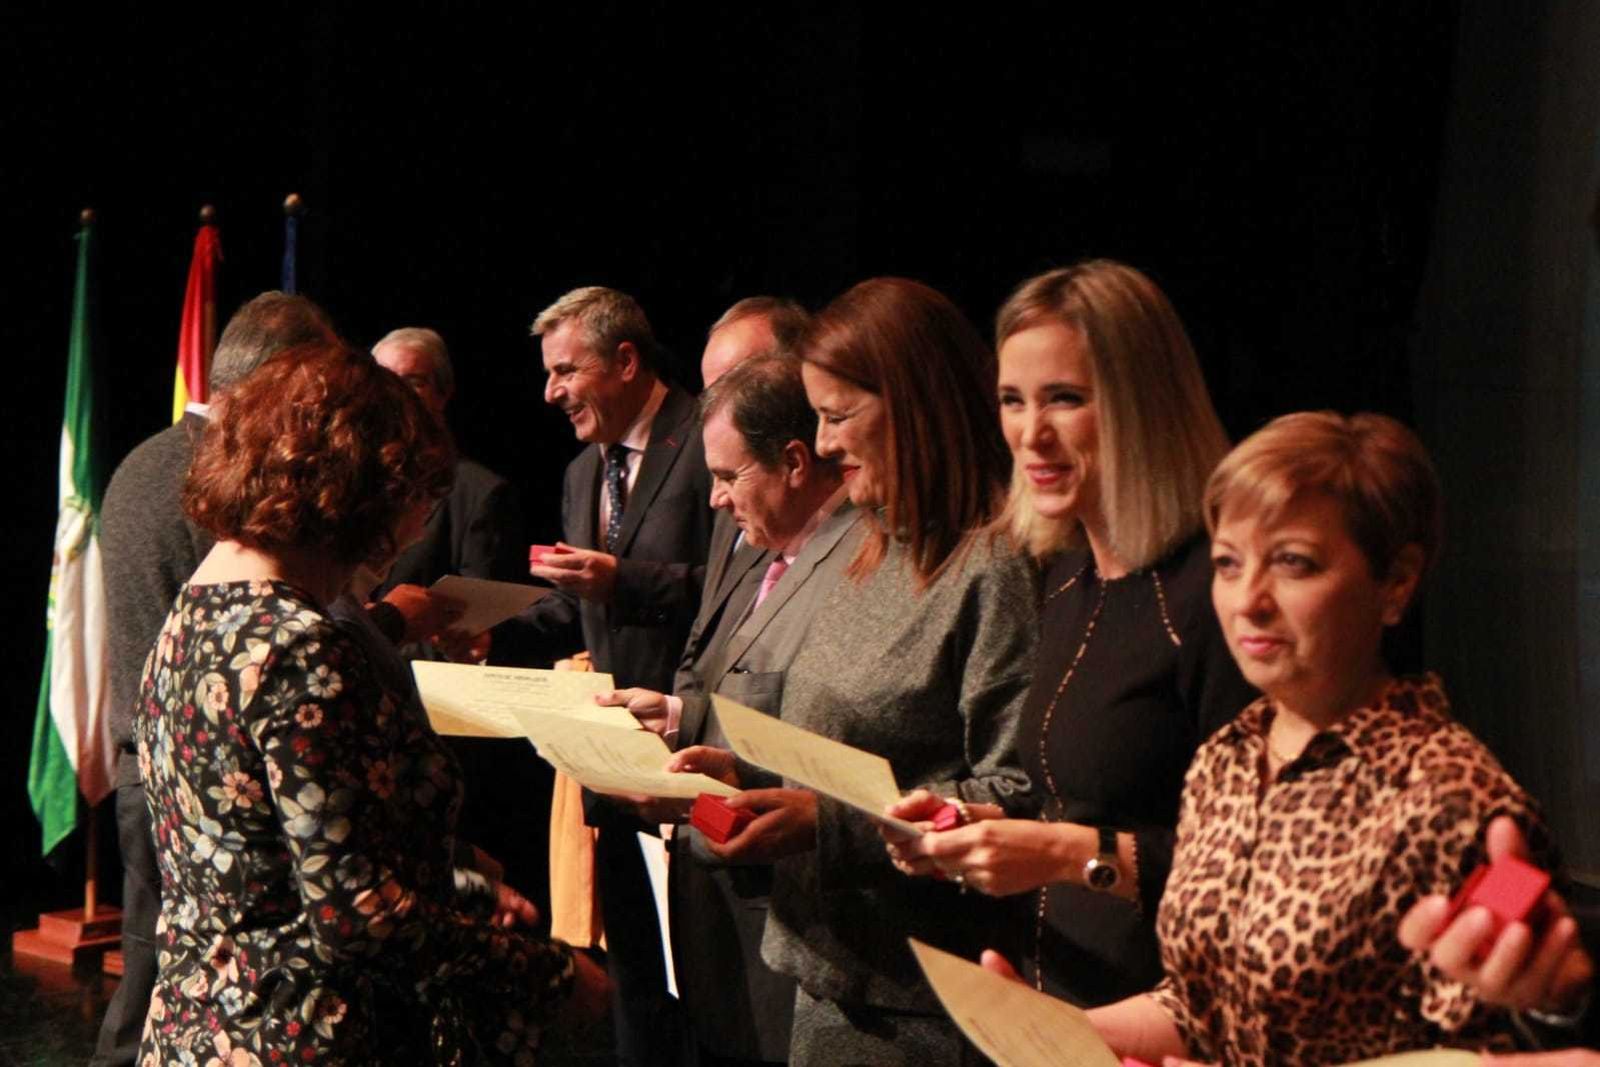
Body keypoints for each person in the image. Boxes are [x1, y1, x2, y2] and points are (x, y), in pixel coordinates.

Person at [136, 341, 605, 1065]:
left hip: (199, 1026)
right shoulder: (300, 646)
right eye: (414, 500)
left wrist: (463, 883)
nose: (416, 529)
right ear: (358, 490)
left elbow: (272, 862)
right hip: (303, 1038)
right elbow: (356, 917)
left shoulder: (194, 612)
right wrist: (555, 973)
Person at [1081, 411, 1553, 1064]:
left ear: (1396, 581)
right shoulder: (1225, 759)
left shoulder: (1458, 799)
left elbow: (1483, 1056)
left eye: (1293, 563)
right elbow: (1198, 1008)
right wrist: (1053, 1034)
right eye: (1227, 561)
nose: (1247, 598)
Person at [673, 278, 1037, 1066]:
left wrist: (825, 821)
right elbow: (846, 744)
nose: (827, 445)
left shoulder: (995, 563)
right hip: (827, 973)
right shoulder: (871, 544)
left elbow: (1016, 797)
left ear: (916, 406)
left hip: (922, 1002)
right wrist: (749, 772)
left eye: (838, 417)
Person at [882, 260, 1256, 1006]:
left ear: (1143, 406)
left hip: (1172, 1020)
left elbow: (1261, 860)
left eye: (1066, 399)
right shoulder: (1067, 577)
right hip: (1056, 1003)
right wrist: (978, 828)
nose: (1031, 432)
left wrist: (1057, 852)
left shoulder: (1219, 595)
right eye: (1013, 401)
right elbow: (1076, 803)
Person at [92, 292, 338, 1067]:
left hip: (148, 769)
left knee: (154, 992)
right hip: (203, 781)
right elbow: (245, 650)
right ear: (279, 382)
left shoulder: (143, 459)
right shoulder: (222, 480)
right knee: (168, 1001)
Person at [601, 352, 855, 1066]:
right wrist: (678, 717)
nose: (714, 500)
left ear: (797, 461)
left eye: (725, 476)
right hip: (718, 901)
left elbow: (822, 725)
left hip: (789, 916)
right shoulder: (761, 547)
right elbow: (736, 682)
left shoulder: (856, 555)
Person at [510, 285, 716, 1067]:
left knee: (702, 985)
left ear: (626, 360)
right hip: (609, 763)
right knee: (636, 972)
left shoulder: (705, 441)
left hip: (691, 752)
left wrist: (622, 579)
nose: (550, 391)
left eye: (566, 370)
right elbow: (581, 610)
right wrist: (486, 632)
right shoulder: (579, 472)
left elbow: (742, 591)